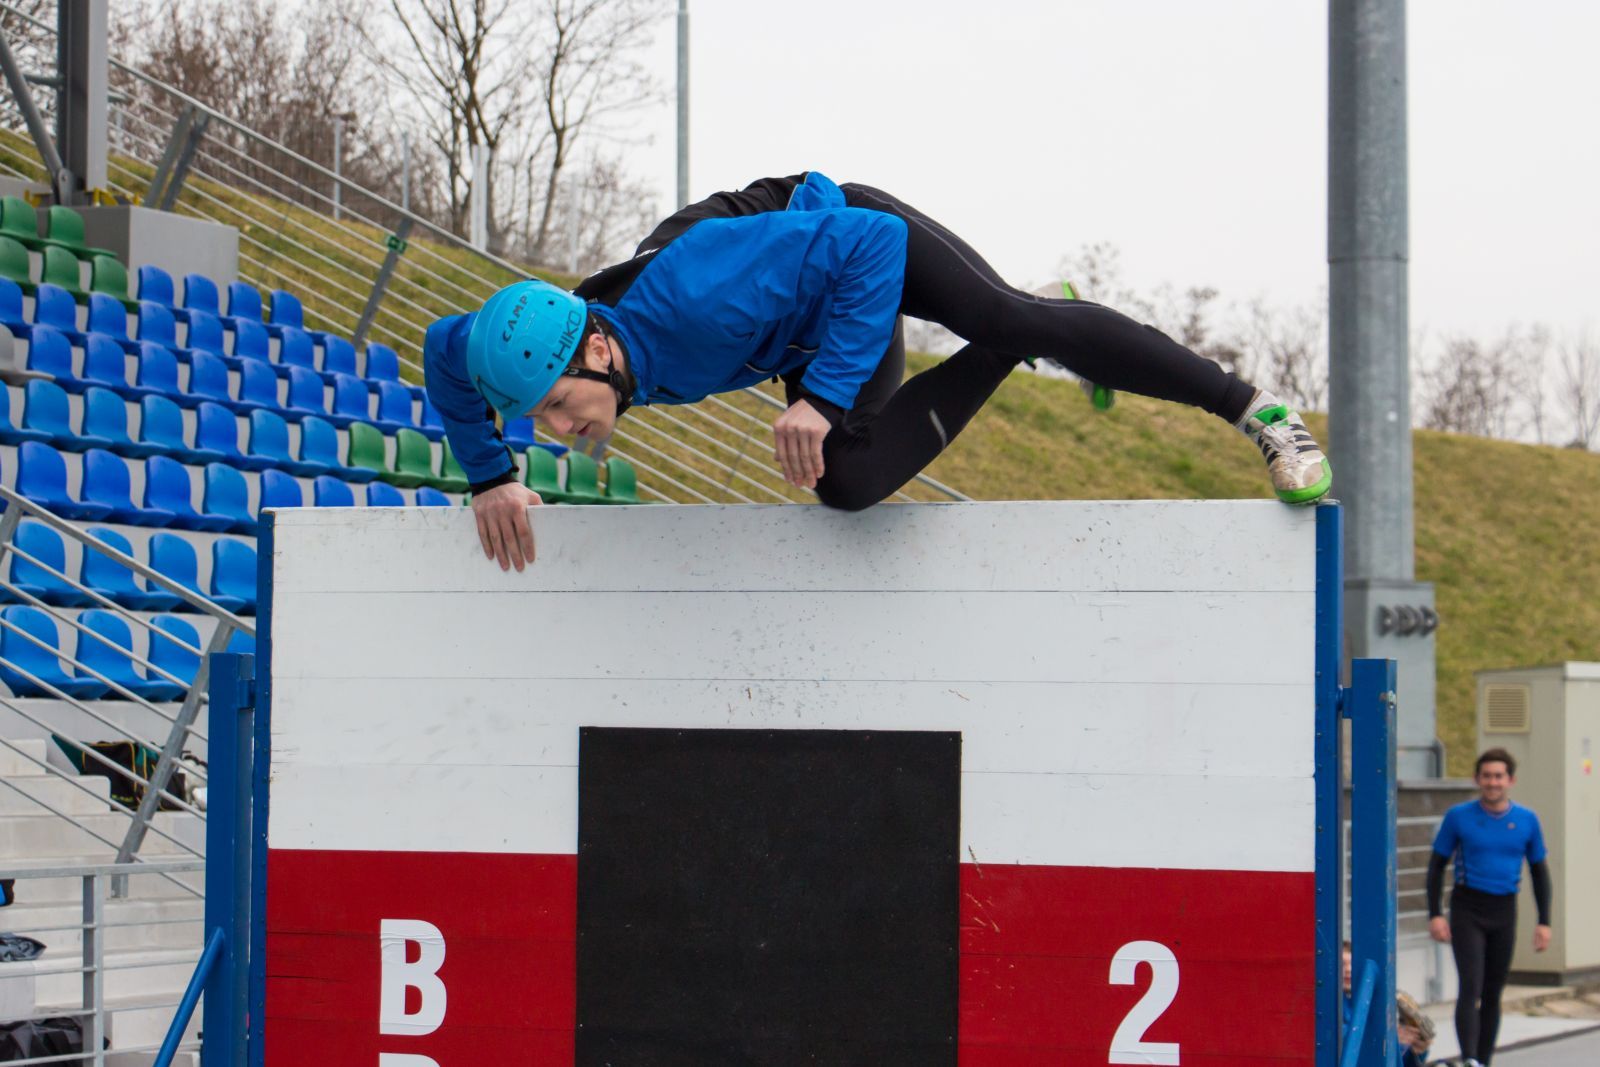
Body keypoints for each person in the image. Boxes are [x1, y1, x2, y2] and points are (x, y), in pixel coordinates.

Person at [423, 172, 1333, 571]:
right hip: (807, 326)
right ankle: (1019, 341)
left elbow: (875, 243)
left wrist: (821, 397)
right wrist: (491, 476)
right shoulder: (550, 340)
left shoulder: (695, 294)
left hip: (854, 246)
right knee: (847, 482)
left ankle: (1256, 410)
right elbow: (442, 347)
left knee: (1006, 314)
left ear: (597, 351)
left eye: (556, 406)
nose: (558, 429)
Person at [1427, 748, 1552, 1067]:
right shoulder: (1459, 816)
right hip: (1468, 907)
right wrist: (1435, 914)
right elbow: (1436, 866)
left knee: (1493, 992)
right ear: (1476, 779)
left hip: (1504, 910)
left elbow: (1539, 872)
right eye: (1486, 776)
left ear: (1510, 780)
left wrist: (1544, 921)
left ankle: (1484, 1060)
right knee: (1471, 986)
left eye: (1499, 776)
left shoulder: (1526, 820)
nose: (1493, 782)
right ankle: (1469, 1058)